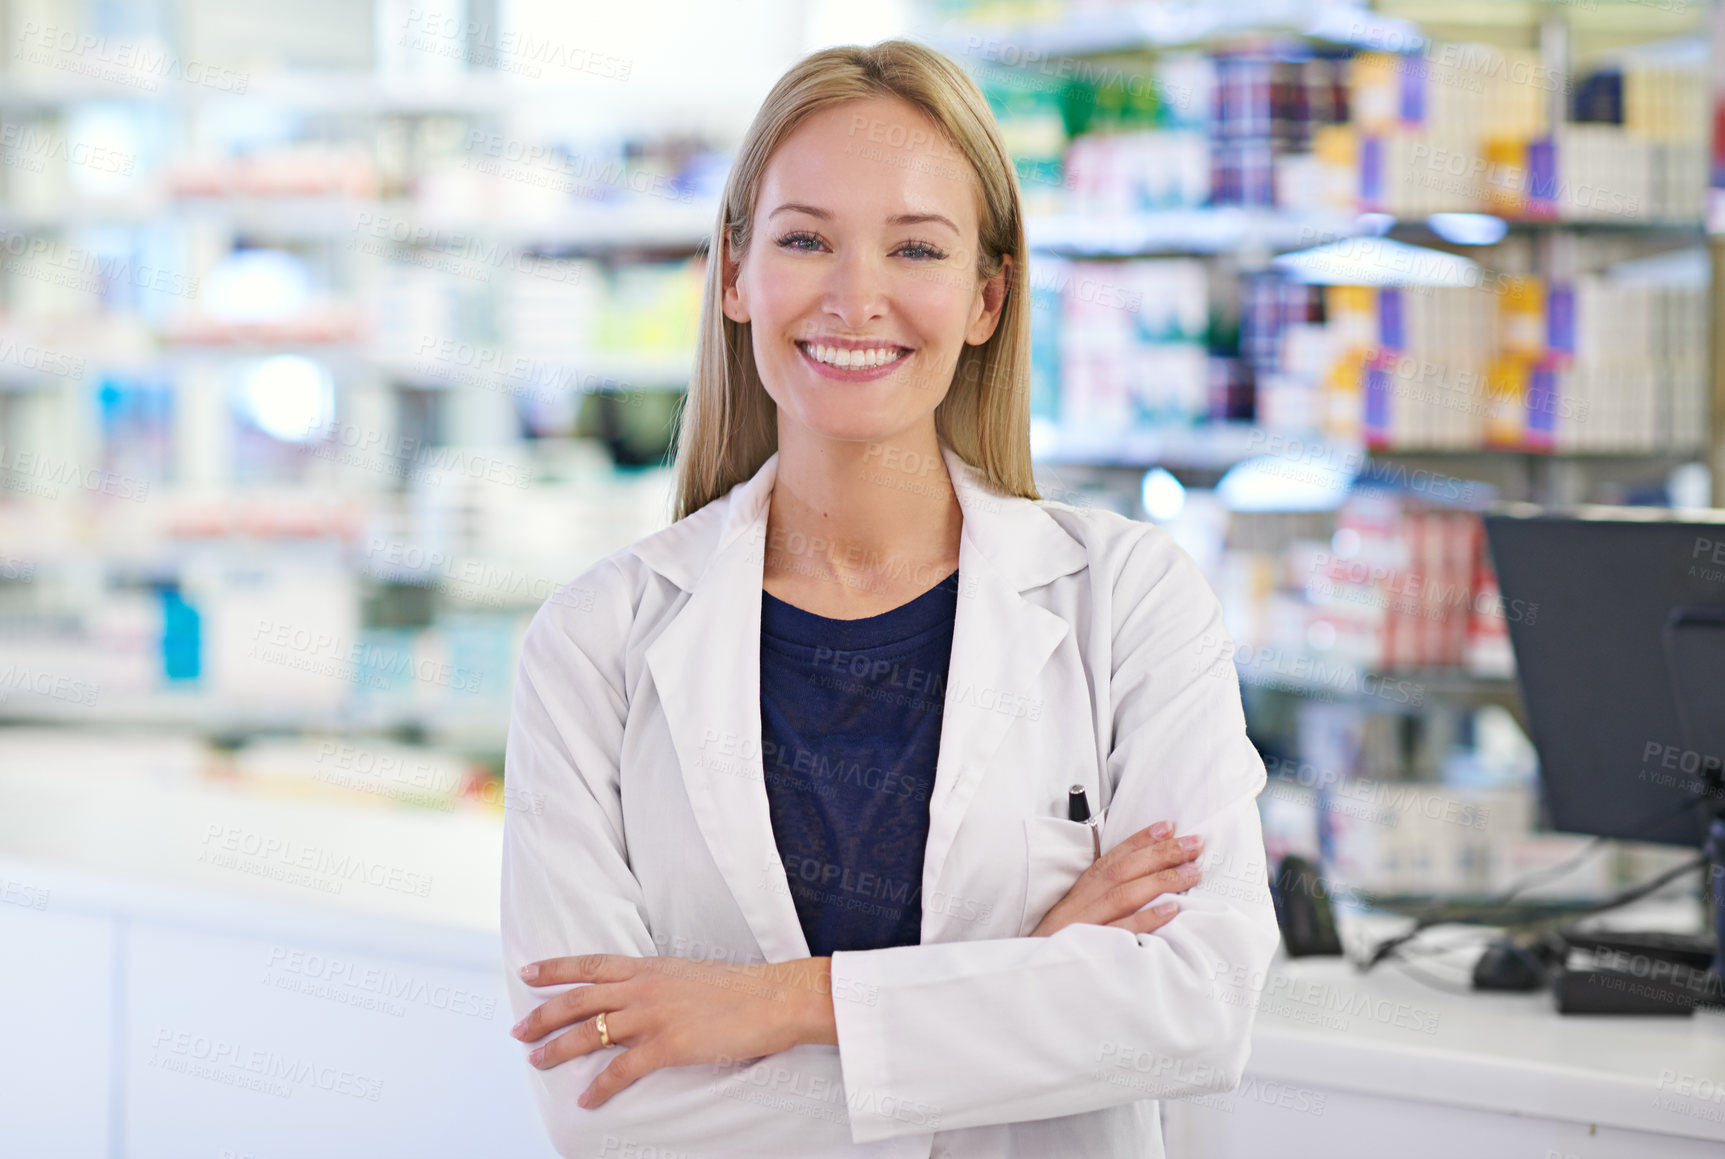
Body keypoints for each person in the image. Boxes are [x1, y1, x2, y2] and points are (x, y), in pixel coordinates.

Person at [500, 38, 1279, 1159]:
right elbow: (604, 1099)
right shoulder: (593, 642)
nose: (856, 297)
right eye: (806, 239)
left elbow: (1199, 1003)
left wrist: (776, 1003)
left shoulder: (1128, 599)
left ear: (985, 297)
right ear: (733, 274)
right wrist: (1035, 972)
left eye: (916, 247)